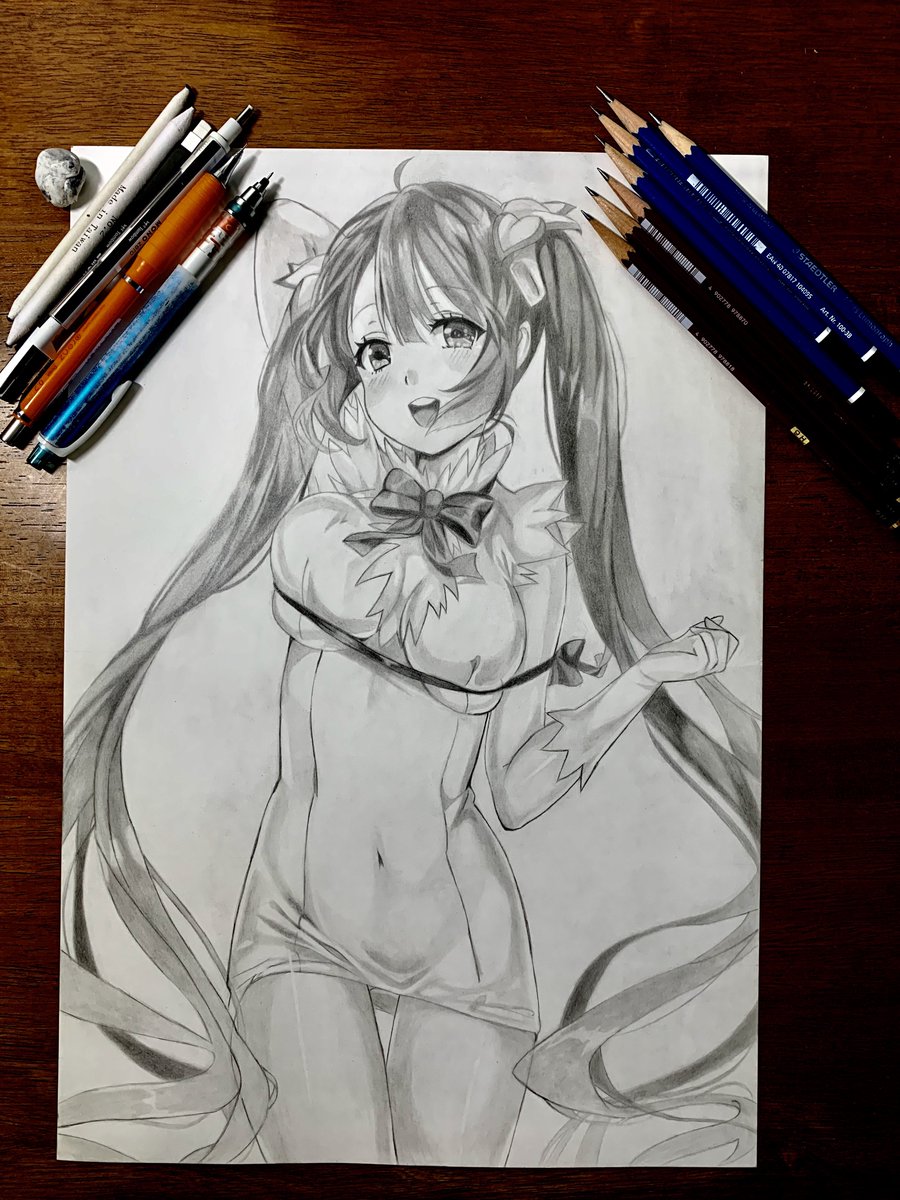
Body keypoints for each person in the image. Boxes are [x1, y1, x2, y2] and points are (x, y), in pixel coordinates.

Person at [59, 177, 760, 1166]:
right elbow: (441, 632)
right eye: (377, 351)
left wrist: (638, 681)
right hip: (301, 921)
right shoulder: (320, 525)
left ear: (514, 335)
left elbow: (513, 789)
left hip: (465, 939)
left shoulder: (532, 547)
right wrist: (499, 553)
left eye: (453, 330)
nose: (413, 380)